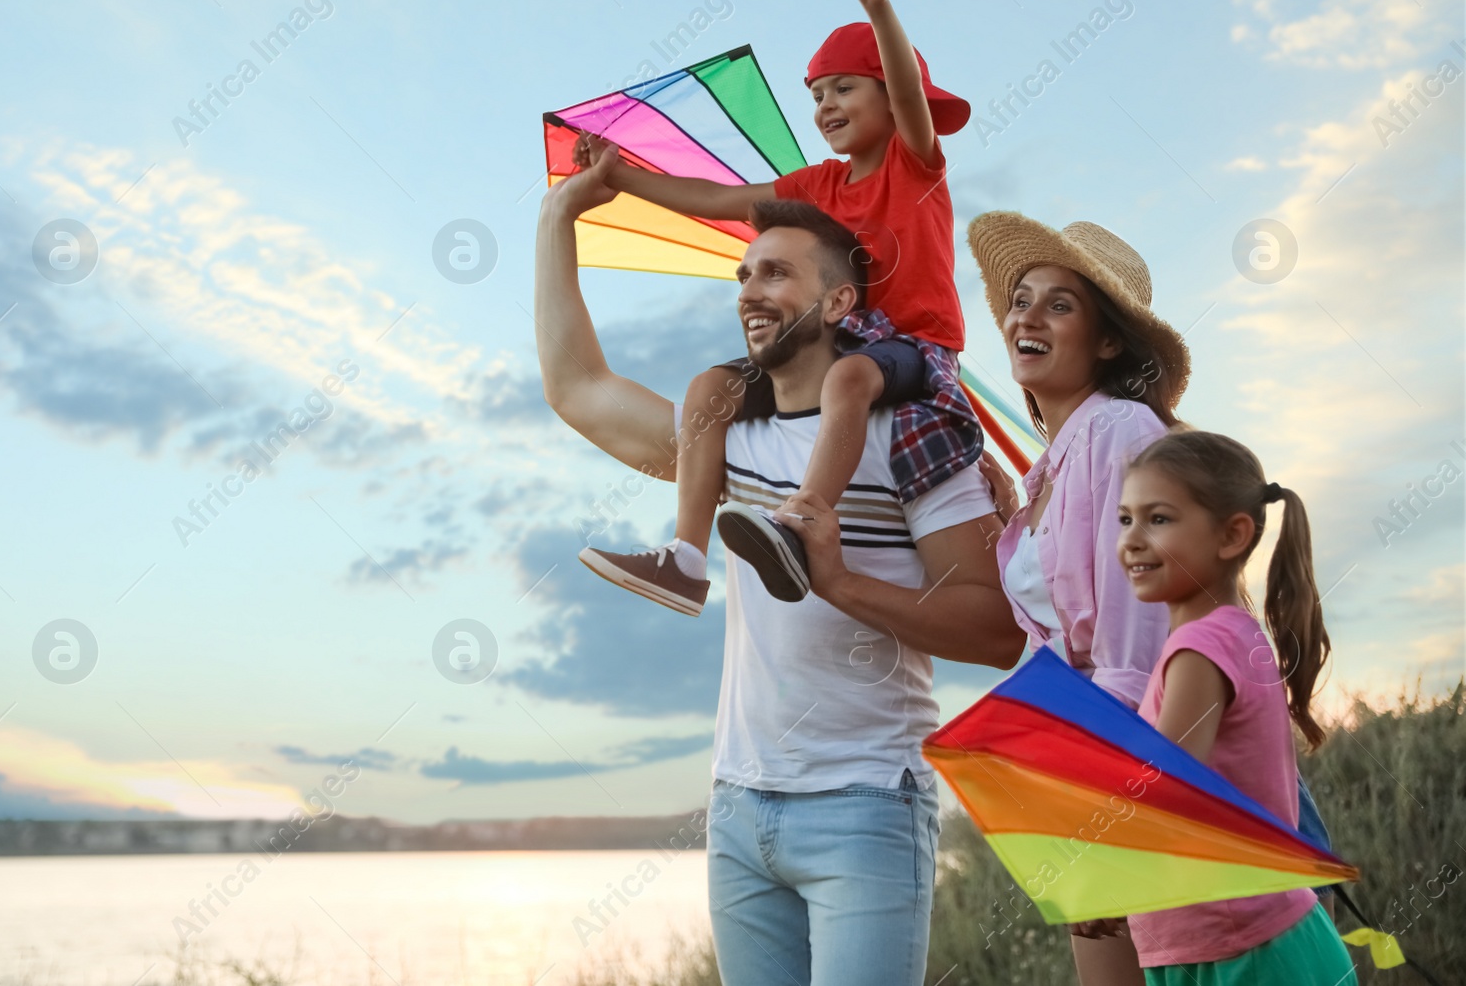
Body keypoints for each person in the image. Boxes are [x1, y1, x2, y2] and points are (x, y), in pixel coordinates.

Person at [535, 149, 1024, 984]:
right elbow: (577, 387)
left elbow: (995, 628)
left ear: (839, 301)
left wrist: (840, 582)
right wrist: (558, 217)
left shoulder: (906, 435)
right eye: (744, 274)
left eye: (776, 274)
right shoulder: (722, 437)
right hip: (738, 806)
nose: (750, 292)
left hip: (867, 803)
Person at [577, 0, 982, 617]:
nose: (825, 107)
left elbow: (913, 99)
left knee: (849, 377)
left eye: (844, 89)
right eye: (817, 94)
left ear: (887, 95)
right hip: (837, 339)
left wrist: (880, 8)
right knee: (710, 385)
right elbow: (717, 200)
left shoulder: (912, 166)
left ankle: (799, 526)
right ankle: (684, 558)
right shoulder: (814, 186)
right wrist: (625, 176)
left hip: (913, 350)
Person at [966, 211, 1186, 986]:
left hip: (1130, 754)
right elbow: (1055, 624)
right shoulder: (1052, 463)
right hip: (1081, 753)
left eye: (1059, 304)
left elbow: (1139, 628)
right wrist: (1012, 521)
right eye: (1020, 300)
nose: (1026, 315)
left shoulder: (1119, 429)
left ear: (1108, 341)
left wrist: (1110, 800)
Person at [1114, 430, 1355, 983]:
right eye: (1125, 519)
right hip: (1228, 944)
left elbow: (1166, 793)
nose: (1132, 539)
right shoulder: (1229, 635)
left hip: (1245, 953)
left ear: (1232, 536)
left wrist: (1099, 881)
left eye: (1159, 519)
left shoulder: (1203, 649)